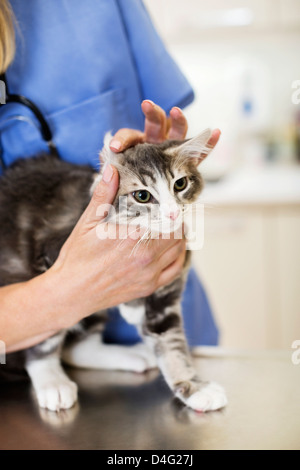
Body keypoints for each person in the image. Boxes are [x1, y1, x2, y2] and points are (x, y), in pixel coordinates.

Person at [0, 0, 220, 353]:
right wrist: (67, 293)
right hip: (26, 369)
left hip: (163, 318)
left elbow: (162, 127)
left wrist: (161, 161)